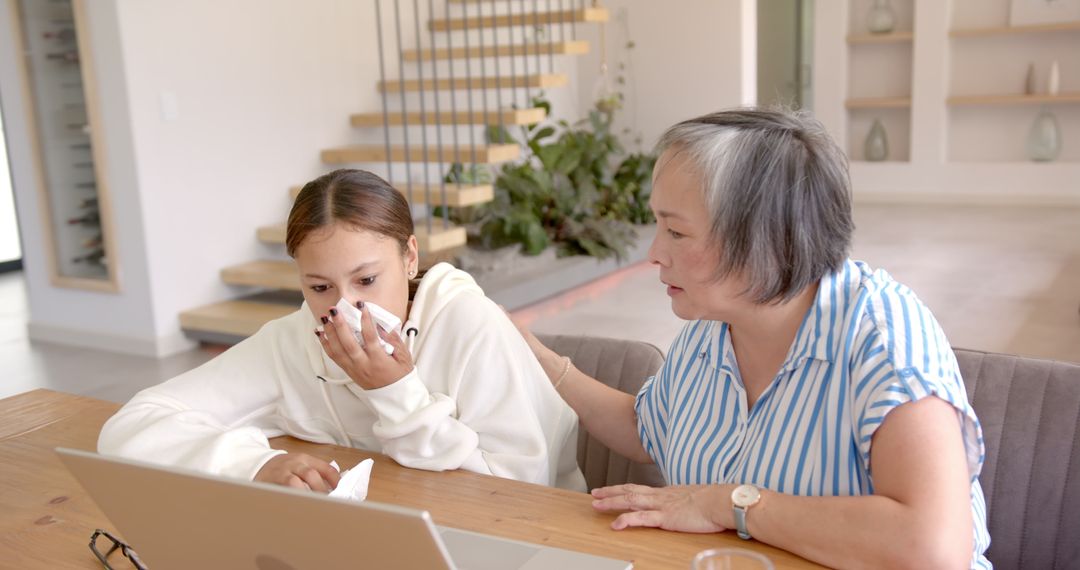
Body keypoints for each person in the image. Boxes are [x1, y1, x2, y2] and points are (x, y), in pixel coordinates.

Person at [517, 109, 991, 569]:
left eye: (677, 231)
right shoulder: (711, 327)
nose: (655, 253)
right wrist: (534, 355)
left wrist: (730, 504)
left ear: (770, 241)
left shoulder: (882, 340)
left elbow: (933, 550)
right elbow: (648, 429)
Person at [99, 168, 585, 493]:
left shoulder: (470, 324)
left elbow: (519, 491)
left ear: (410, 257)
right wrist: (253, 464)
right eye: (319, 286)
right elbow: (135, 424)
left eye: (367, 280)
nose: (343, 307)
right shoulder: (292, 342)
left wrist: (395, 392)